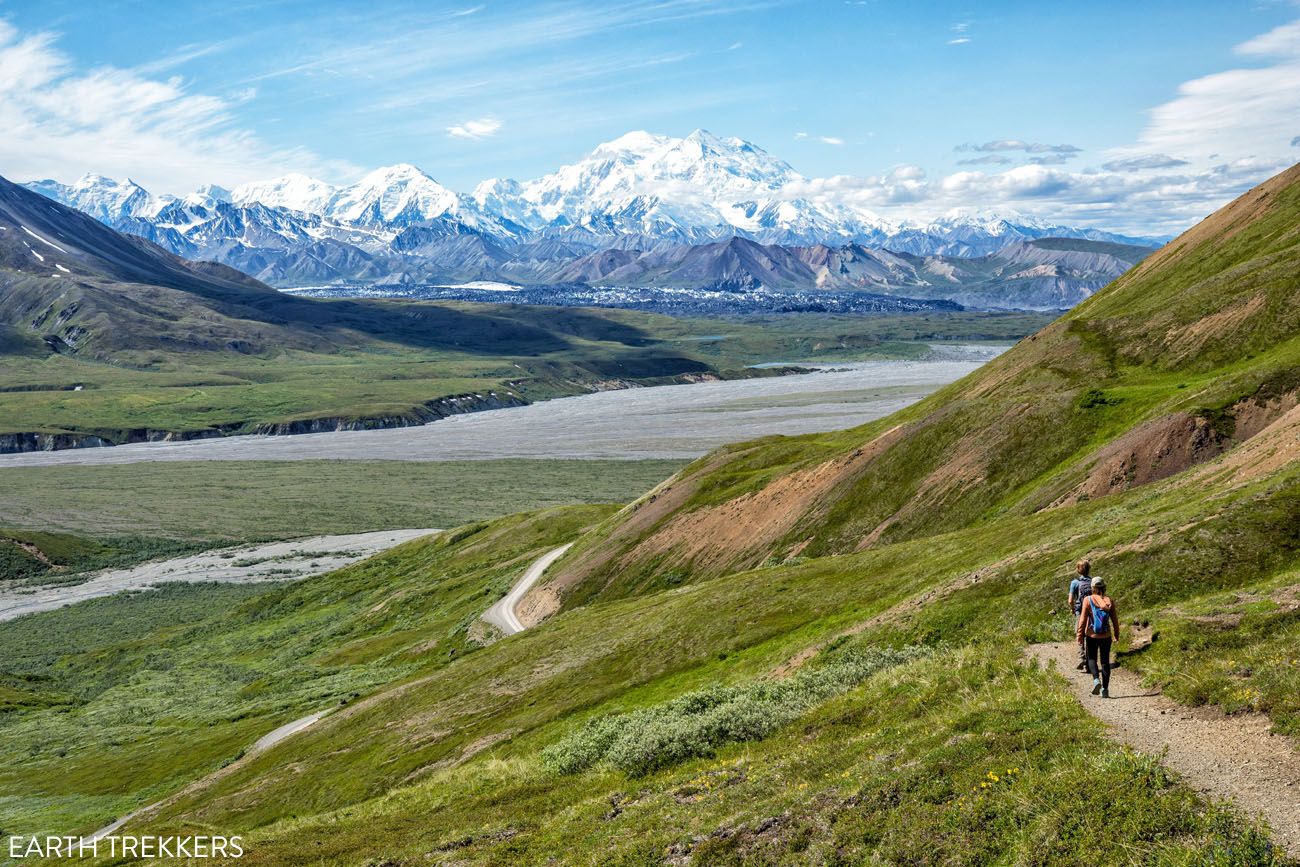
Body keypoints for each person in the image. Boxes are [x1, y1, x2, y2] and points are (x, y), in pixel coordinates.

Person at [1076, 577, 1120, 698]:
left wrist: (1079, 635)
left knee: (1091, 659)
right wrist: (1116, 634)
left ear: (1092, 587)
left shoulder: (1087, 600)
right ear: (1103, 587)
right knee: (1105, 661)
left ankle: (1096, 680)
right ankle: (1105, 690)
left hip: (1091, 635)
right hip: (1106, 636)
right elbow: (1115, 620)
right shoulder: (1109, 601)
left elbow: (1083, 620)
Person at [1067, 560, 1094, 670]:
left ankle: (1082, 658)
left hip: (1080, 611)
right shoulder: (1093, 582)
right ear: (1088, 569)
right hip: (1091, 612)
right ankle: (1089, 663)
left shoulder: (1074, 583)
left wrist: (1073, 609)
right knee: (1089, 636)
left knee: (1080, 635)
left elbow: (1070, 600)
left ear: (1078, 570)